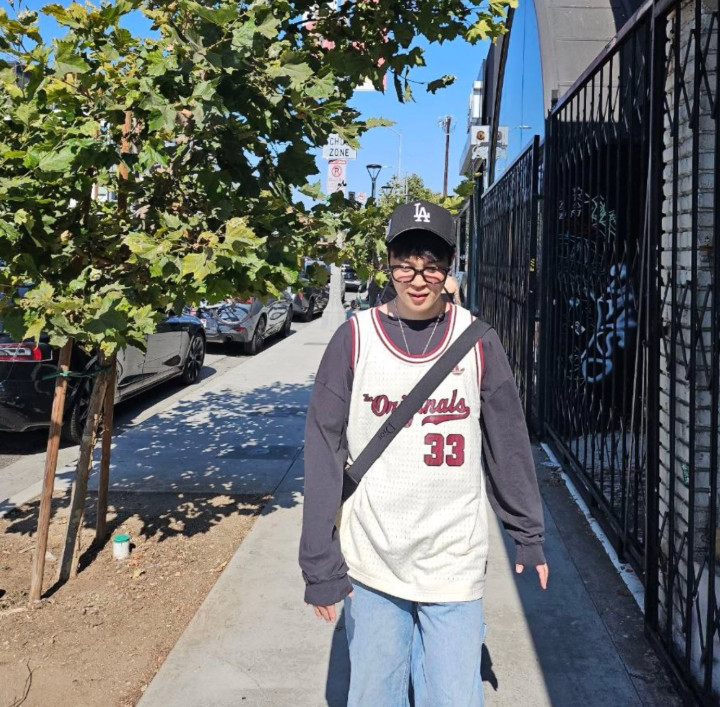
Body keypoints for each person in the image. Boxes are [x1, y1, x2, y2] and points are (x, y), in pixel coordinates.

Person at [299, 200, 548, 706]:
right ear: (388, 263)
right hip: (373, 558)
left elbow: (507, 442)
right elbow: (323, 450)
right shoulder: (354, 339)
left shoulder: (478, 342)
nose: (417, 280)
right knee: (375, 696)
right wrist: (320, 564)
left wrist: (528, 533)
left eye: (431, 266)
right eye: (405, 265)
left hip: (453, 559)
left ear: (449, 266)